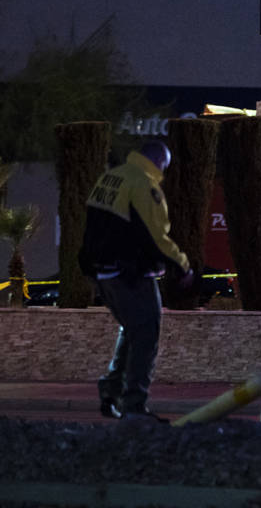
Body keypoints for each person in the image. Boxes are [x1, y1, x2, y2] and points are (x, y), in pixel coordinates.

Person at [79, 140, 194, 422]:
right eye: (164, 167)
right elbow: (156, 236)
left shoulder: (111, 177)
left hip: (104, 273)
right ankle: (134, 406)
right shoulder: (143, 184)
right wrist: (183, 265)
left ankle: (111, 391)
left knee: (131, 331)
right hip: (132, 275)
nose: (163, 173)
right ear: (158, 161)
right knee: (146, 335)